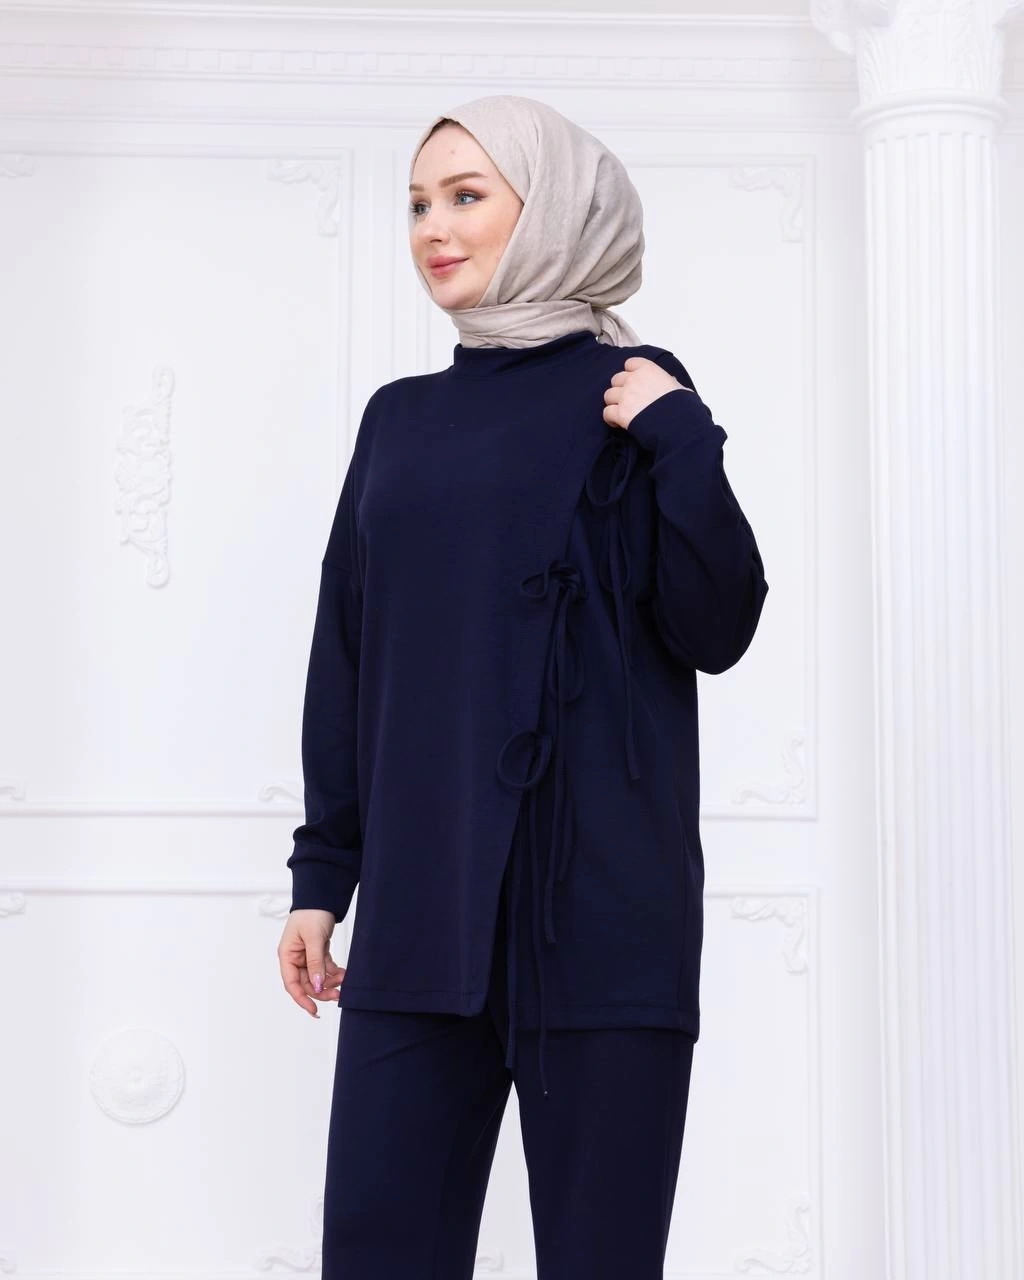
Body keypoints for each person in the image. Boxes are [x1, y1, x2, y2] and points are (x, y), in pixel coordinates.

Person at [276, 93, 769, 1279]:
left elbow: (717, 625)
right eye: (416, 203)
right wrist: (322, 875)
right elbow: (348, 652)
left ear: (549, 210)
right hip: (422, 916)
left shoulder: (636, 394)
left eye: (465, 195)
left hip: (602, 921)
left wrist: (681, 435)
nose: (432, 228)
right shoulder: (398, 422)